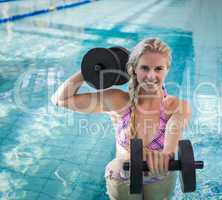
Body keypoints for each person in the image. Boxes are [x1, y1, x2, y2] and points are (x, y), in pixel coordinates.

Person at [51, 38, 191, 200]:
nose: (151, 75)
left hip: (159, 175)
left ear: (167, 70)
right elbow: (60, 100)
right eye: (144, 68)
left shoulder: (176, 106)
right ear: (134, 69)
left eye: (158, 68)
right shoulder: (118, 101)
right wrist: (90, 69)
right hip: (121, 175)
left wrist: (165, 155)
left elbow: (173, 136)